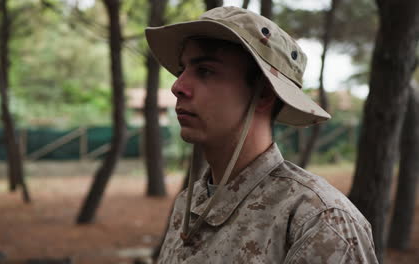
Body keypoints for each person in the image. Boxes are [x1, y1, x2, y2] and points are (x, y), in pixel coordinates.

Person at [145, 6, 378, 264]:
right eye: (182, 71)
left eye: (205, 71)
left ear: (264, 94)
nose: (177, 87)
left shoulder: (317, 221)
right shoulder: (187, 207)